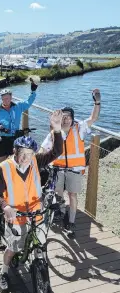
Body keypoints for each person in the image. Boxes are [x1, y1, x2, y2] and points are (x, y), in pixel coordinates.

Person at [0, 110, 63, 293]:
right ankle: (4, 272)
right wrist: (5, 206)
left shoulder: (35, 161)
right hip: (15, 214)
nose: (26, 157)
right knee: (13, 247)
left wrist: (57, 129)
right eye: (23, 153)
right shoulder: (4, 168)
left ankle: (39, 269)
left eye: (30, 153)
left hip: (36, 211)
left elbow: (57, 151)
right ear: (15, 151)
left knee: (39, 242)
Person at [39, 89, 101, 238]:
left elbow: (93, 118)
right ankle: (61, 212)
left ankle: (71, 221)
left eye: (69, 117)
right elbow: (43, 148)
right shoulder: (54, 132)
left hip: (74, 170)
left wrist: (97, 101)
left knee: (72, 195)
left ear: (73, 119)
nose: (66, 119)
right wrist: (35, 160)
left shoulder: (79, 129)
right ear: (60, 119)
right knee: (59, 194)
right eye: (64, 117)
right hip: (57, 169)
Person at [0, 79, 38, 163]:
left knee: (16, 156)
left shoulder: (18, 106)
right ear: (1, 99)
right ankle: (0, 174)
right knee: (3, 158)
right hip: (4, 137)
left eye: (7, 98)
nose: (5, 101)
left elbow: (28, 102)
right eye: (3, 99)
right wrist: (0, 127)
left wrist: (33, 91)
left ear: (11, 97)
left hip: (15, 135)